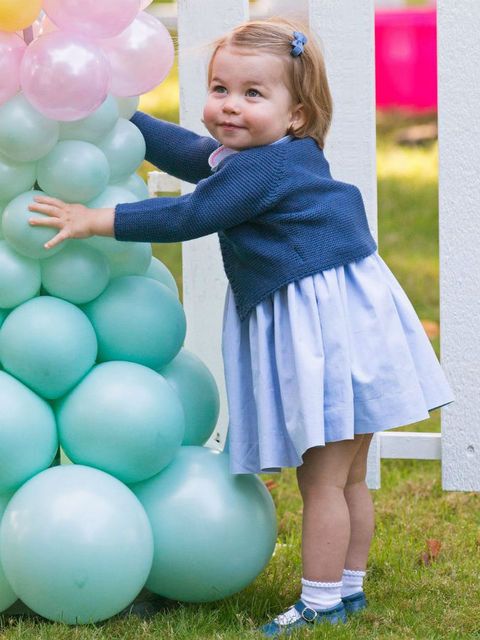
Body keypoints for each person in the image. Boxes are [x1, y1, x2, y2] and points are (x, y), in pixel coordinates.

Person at [28, 17, 454, 637]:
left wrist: (95, 219)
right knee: (349, 474)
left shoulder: (263, 171)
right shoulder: (273, 155)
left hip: (325, 331)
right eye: (220, 88)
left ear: (298, 114)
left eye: (253, 94)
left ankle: (322, 600)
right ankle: (350, 586)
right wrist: (117, 112)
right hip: (348, 323)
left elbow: (191, 212)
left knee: (323, 478)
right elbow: (189, 154)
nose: (229, 106)